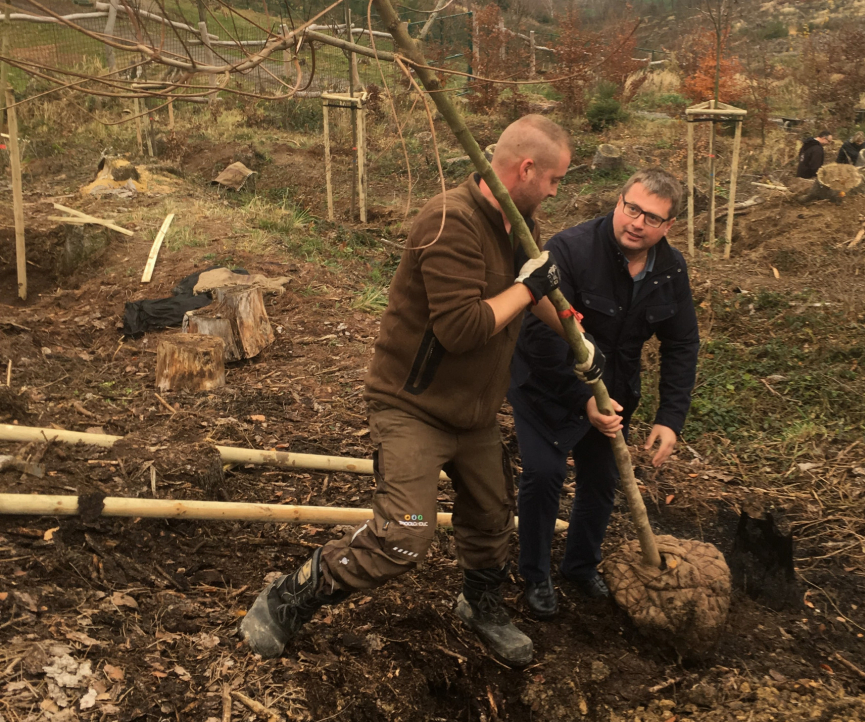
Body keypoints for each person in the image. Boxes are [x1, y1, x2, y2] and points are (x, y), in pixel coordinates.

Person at [238, 115, 574, 667]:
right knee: (406, 533)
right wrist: (526, 286)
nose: (557, 191)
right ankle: (288, 596)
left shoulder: (518, 221)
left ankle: (480, 603)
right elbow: (461, 328)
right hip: (413, 409)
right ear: (526, 168)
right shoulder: (450, 220)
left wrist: (579, 337)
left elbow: (533, 292)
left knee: (492, 518)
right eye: (555, 179)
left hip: (473, 416)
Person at [508, 168, 700, 619]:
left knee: (602, 480)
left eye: (651, 218)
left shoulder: (670, 269)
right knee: (544, 474)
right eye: (631, 208)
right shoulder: (571, 250)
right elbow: (540, 332)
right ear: (619, 202)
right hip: (546, 387)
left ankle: (580, 565)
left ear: (668, 227)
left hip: (613, 392)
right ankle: (535, 575)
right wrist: (582, 400)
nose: (636, 222)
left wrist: (670, 417)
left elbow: (682, 342)